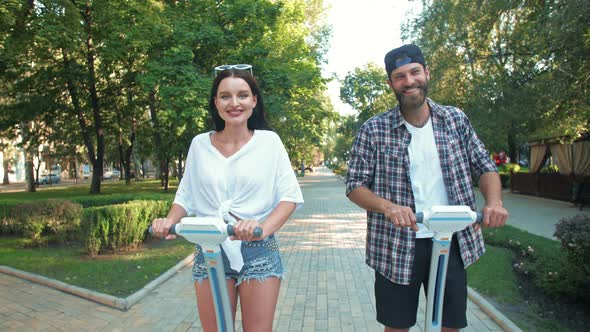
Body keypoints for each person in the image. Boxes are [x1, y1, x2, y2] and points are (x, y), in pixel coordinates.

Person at [345, 44, 509, 332]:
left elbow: (484, 166)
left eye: (414, 72)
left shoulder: (455, 120)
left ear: (426, 73)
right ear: (391, 83)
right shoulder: (374, 129)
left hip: (451, 240)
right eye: (399, 76)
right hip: (396, 244)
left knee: (449, 325)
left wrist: (494, 201)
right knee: (396, 326)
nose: (409, 81)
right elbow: (355, 185)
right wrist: (388, 207)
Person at [151, 65, 303, 332]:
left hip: (257, 252)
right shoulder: (199, 144)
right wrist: (169, 220)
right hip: (210, 248)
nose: (234, 103)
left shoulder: (269, 142)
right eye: (225, 96)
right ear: (215, 103)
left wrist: (260, 229)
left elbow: (289, 197)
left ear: (254, 101)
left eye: (242, 95)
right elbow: (185, 194)